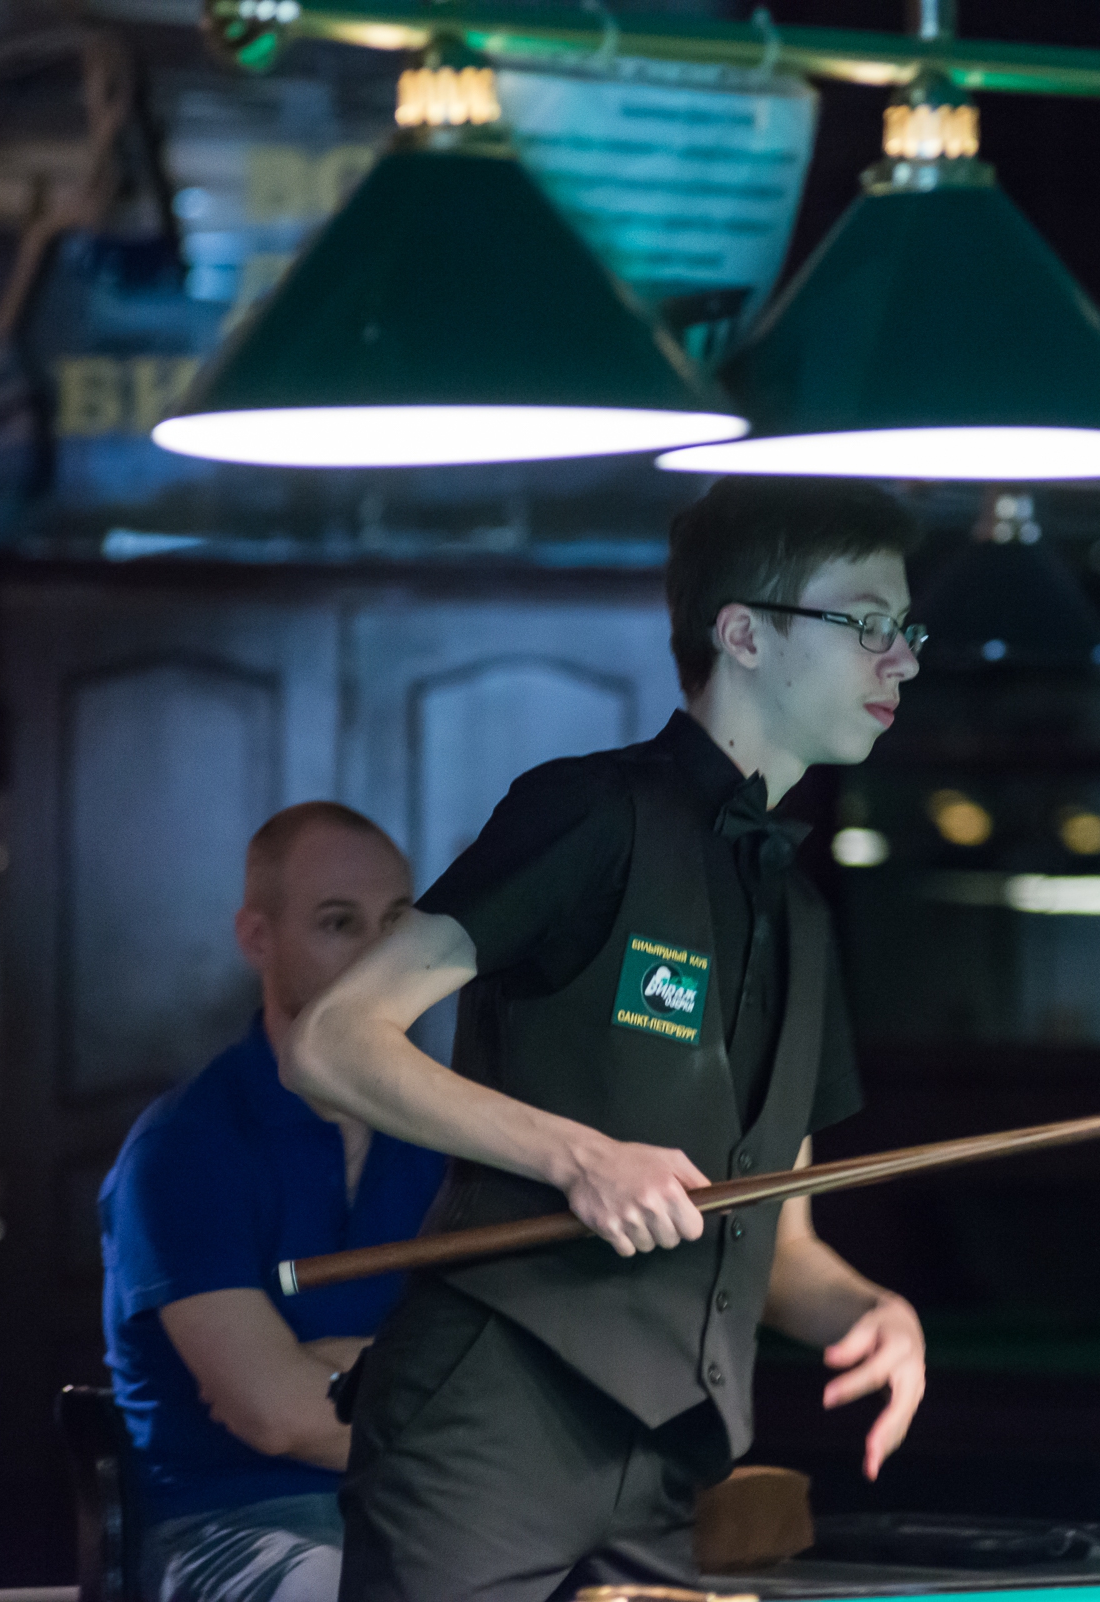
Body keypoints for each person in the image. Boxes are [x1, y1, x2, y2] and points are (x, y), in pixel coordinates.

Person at [284, 477, 933, 1601]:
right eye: (868, 623)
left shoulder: (803, 917)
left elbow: (777, 1240)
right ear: (744, 634)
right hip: (488, 1428)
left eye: (908, 630)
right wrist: (576, 1156)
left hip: (667, 1464)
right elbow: (335, 1039)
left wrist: (871, 1310)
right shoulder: (592, 814)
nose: (903, 661)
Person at [101, 803, 449, 1602]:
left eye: (396, 922)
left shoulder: (447, 1132)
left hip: (428, 1519)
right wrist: (431, 1393)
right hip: (232, 1527)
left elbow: (506, 1377)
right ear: (258, 938)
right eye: (339, 923)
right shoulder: (185, 1147)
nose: (380, 954)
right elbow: (275, 1414)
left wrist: (330, 1367)